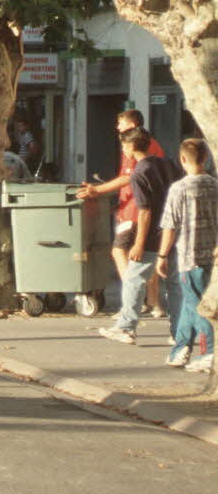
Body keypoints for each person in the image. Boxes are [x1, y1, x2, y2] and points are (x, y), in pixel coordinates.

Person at [77, 110, 169, 318]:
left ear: (132, 125)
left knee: (119, 251)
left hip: (133, 209)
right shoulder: (154, 145)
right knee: (146, 256)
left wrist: (97, 190)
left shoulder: (132, 149)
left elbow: (128, 177)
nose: (117, 127)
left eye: (121, 123)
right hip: (150, 208)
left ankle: (132, 300)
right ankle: (153, 303)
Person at [99, 127, 183, 345]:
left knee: (133, 280)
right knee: (174, 285)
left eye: (124, 145)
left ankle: (126, 327)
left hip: (152, 235)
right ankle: (179, 332)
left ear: (131, 146)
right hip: (174, 233)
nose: (123, 150)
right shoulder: (168, 164)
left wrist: (139, 243)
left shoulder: (139, 173)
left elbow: (145, 211)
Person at [157, 138, 217, 373]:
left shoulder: (179, 188)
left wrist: (162, 255)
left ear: (182, 159)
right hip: (213, 255)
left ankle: (208, 351)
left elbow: (170, 225)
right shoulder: (215, 185)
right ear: (206, 157)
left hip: (190, 256)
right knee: (190, 303)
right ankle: (181, 347)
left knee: (198, 305)